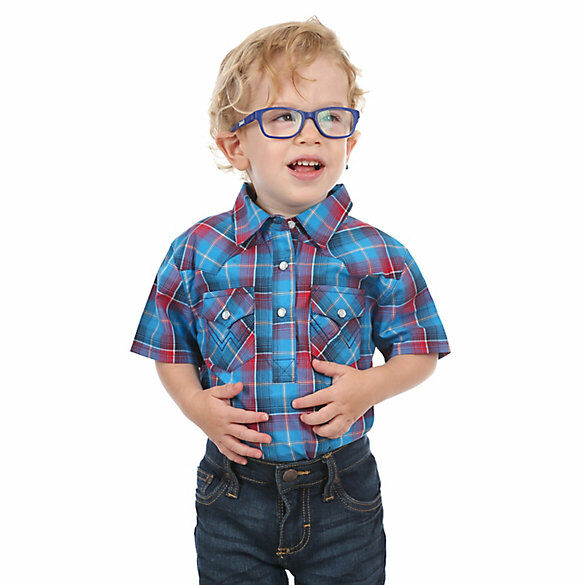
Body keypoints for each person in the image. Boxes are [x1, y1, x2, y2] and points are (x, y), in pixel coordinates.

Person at [130, 16, 450, 585]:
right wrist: (197, 407)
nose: (310, 135)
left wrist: (369, 387)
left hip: (342, 493)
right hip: (232, 490)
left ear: (350, 141)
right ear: (235, 145)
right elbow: (169, 347)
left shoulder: (378, 253)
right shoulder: (199, 249)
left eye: (331, 118)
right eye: (282, 117)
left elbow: (420, 350)